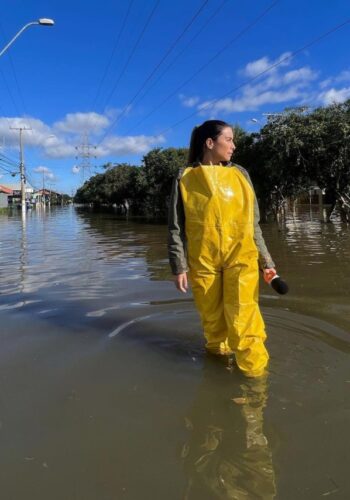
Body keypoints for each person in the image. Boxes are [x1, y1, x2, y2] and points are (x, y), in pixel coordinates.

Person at [168, 120, 276, 378]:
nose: (234, 146)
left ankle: (255, 383)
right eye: (229, 140)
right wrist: (179, 266)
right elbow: (175, 227)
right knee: (214, 324)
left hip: (242, 258)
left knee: (244, 321)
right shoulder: (184, 177)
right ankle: (218, 374)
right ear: (210, 143)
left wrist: (266, 261)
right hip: (203, 262)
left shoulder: (241, 174)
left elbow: (253, 224)